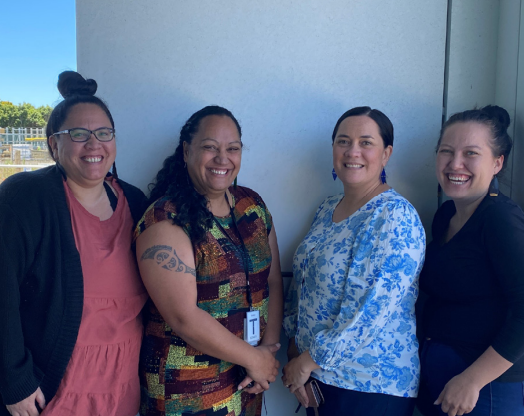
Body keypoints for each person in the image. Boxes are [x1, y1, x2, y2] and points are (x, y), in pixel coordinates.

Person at [0, 71, 148, 416]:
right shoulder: (26, 197)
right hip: (52, 393)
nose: (94, 144)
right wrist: (14, 381)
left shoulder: (137, 203)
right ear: (54, 144)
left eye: (104, 133)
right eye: (78, 134)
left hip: (121, 390)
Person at [135, 105, 283, 416]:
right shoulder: (165, 220)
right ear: (187, 151)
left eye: (233, 148)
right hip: (187, 392)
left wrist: (267, 352)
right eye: (209, 147)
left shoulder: (251, 205)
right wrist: (255, 360)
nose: (222, 158)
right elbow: (183, 317)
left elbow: (271, 279)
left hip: (247, 380)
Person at [282, 106, 425, 416]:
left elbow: (371, 310)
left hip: (369, 386)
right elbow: (302, 282)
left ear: (386, 154)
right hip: (318, 380)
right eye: (343, 141)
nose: (352, 151)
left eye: (366, 142)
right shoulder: (327, 207)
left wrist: (307, 362)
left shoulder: (395, 216)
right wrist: (295, 348)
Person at [417, 105, 524, 416]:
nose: (455, 163)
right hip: (441, 380)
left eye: (471, 153)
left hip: (484, 389)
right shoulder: (446, 215)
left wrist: (473, 380)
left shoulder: (500, 218)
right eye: (446, 151)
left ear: (497, 163)